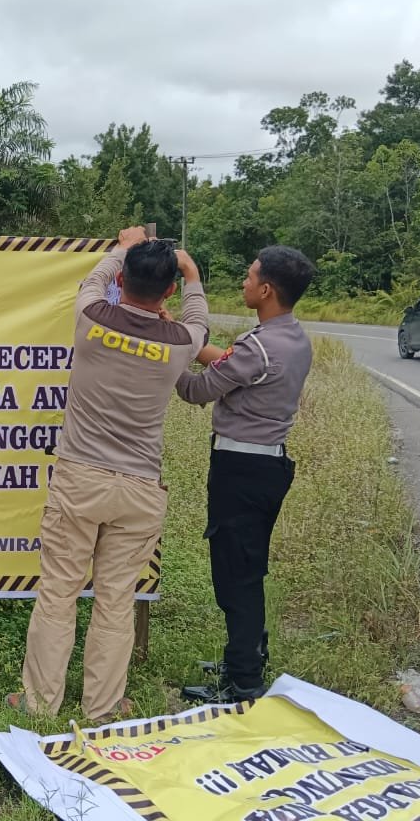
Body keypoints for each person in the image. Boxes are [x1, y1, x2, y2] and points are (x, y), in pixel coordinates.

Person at [8, 227, 208, 722]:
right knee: (117, 600)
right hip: (139, 488)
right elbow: (198, 316)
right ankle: (102, 706)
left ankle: (40, 704)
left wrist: (122, 247)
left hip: (79, 478)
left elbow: (93, 280)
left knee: (59, 592)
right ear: (168, 291)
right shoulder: (182, 341)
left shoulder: (91, 318)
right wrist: (192, 273)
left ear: (122, 280)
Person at [176, 246, 315, 704]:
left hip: (241, 470)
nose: (244, 282)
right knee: (249, 567)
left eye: (249, 276)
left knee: (235, 576)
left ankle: (243, 682)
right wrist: (184, 339)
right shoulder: (292, 338)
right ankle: (248, 656)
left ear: (267, 289)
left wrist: (163, 356)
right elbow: (232, 364)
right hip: (268, 467)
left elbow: (197, 389)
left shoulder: (258, 347)